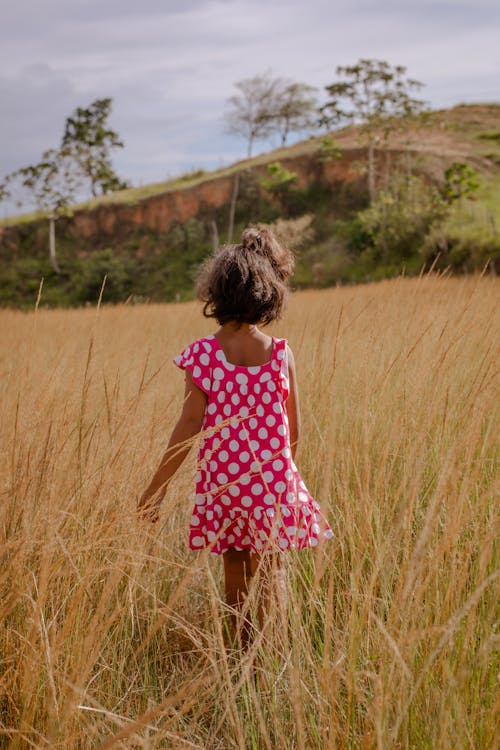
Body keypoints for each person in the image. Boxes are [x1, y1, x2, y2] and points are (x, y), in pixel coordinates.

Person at [137, 226, 334, 650]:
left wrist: (156, 488)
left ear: (215, 292)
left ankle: (241, 652)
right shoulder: (280, 352)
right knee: (272, 572)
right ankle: (271, 657)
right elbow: (293, 430)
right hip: (271, 485)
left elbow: (188, 425)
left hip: (224, 487)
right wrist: (282, 480)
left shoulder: (202, 355)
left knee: (235, 571)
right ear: (269, 294)